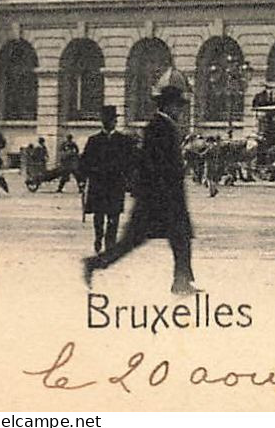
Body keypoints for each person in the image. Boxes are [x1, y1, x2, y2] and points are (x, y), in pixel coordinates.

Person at [83, 84, 197, 295]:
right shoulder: (158, 126)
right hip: (158, 198)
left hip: (164, 196)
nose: (181, 111)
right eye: (178, 106)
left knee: (181, 237)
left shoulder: (165, 125)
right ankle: (94, 264)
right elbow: (152, 163)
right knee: (133, 241)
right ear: (169, 105)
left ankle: (181, 281)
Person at [79, 106, 134, 257]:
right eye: (107, 120)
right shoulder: (94, 140)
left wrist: (130, 181)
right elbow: (84, 162)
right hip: (98, 183)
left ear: (115, 122)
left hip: (116, 183)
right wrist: (82, 180)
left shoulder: (123, 141)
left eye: (113, 120)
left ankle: (110, 243)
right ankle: (98, 237)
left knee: (114, 215)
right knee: (98, 215)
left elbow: (130, 162)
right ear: (102, 122)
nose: (111, 123)